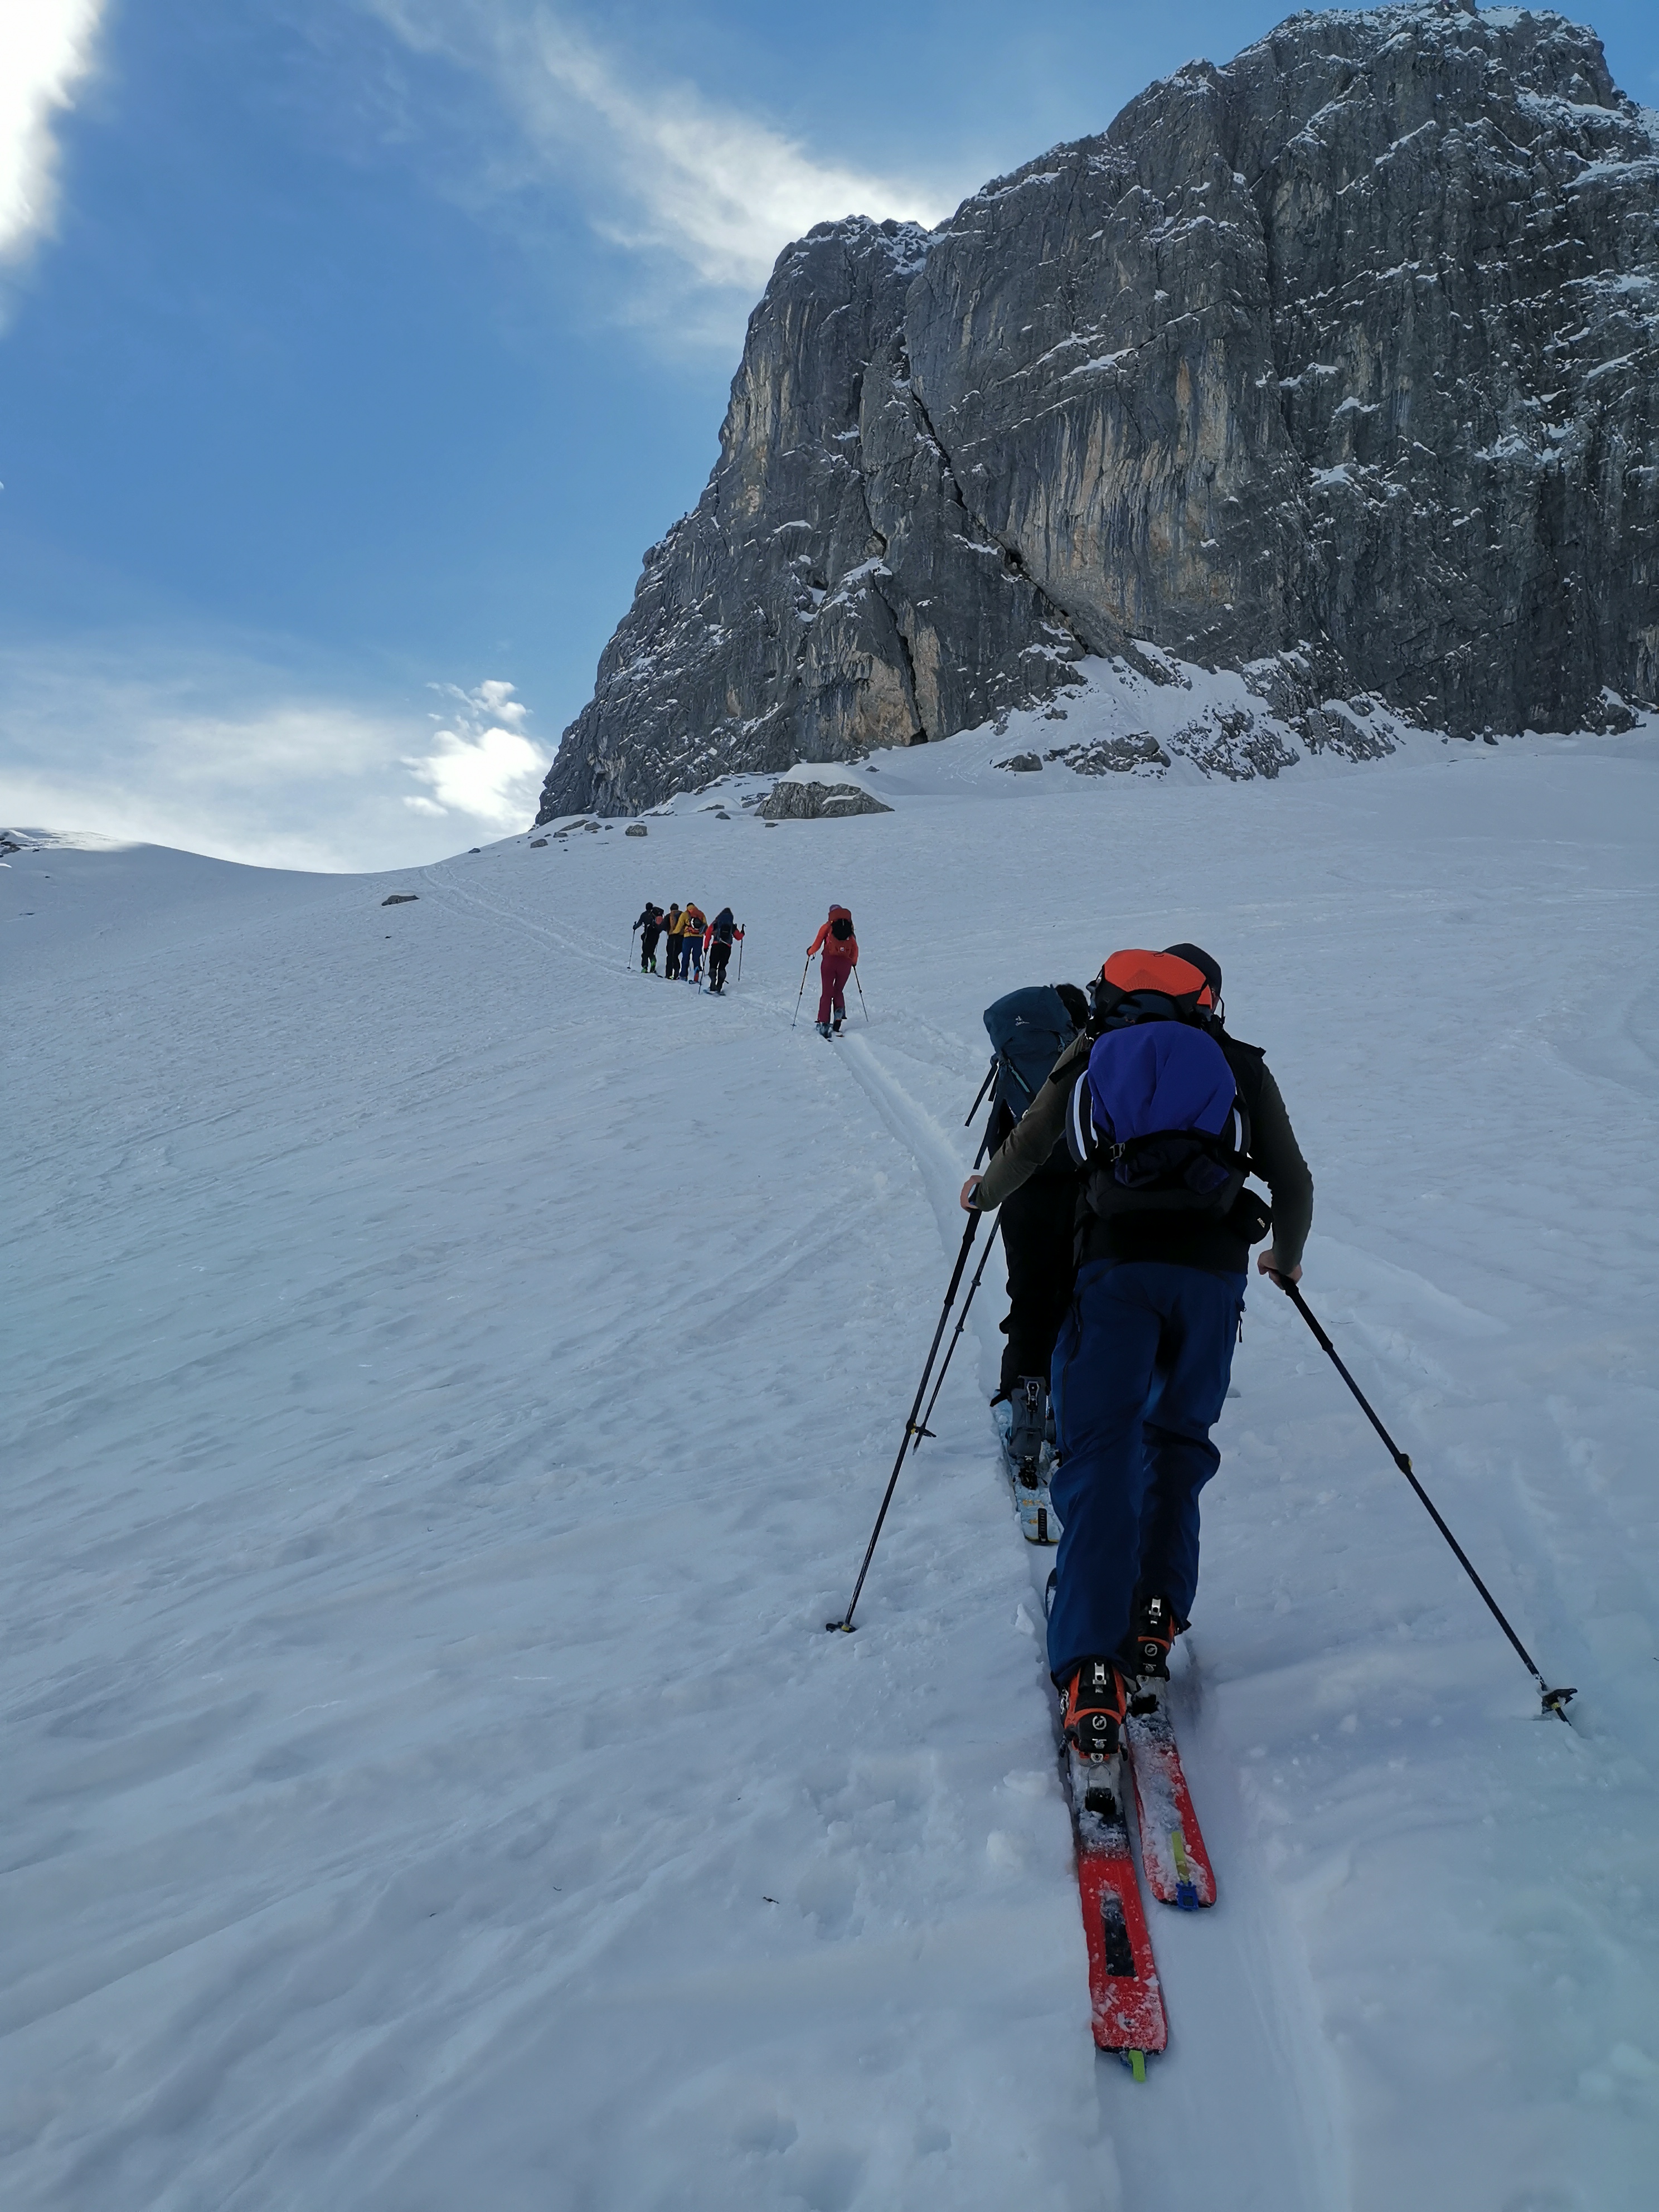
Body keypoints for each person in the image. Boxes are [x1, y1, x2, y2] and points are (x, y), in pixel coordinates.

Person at [961, 943, 1312, 1760]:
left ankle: (1092, 1665)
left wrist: (985, 1191)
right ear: (1205, 999)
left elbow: (1033, 1142)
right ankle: (1155, 1616)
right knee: (1179, 1444)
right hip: (1211, 1279)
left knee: (1101, 1453)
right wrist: (1285, 1258)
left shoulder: (1094, 1049)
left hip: (1114, 1272)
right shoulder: (1239, 1063)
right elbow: (1293, 1182)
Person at [982, 982, 1091, 1477]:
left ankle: (1025, 1411)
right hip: (1085, 1196)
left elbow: (999, 1143)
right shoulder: (1089, 1061)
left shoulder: (1015, 1064)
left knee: (1029, 1297)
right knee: (1077, 1299)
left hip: (1024, 1194)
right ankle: (1068, 1413)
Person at [806, 905, 857, 1036]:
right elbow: (855, 950)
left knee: (827, 993)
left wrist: (809, 952)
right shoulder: (849, 930)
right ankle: (839, 1012)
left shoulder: (827, 927)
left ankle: (823, 1023)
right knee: (838, 990)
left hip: (829, 963)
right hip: (845, 965)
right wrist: (853, 963)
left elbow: (817, 945)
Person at [705, 907, 744, 993]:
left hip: (716, 946)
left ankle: (713, 984)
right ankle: (719, 986)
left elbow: (708, 933)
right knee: (722, 967)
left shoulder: (716, 923)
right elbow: (739, 937)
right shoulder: (731, 925)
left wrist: (706, 947)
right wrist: (742, 933)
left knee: (713, 965)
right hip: (727, 948)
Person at [636, 902, 664, 973]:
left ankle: (645, 967)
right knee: (651, 951)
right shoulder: (656, 914)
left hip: (647, 935)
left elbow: (639, 923)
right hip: (656, 935)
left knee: (645, 952)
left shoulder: (644, 915)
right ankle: (653, 960)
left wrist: (635, 927)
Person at [682, 903, 707, 982]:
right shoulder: (701, 914)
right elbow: (705, 926)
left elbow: (679, 926)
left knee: (686, 955)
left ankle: (684, 975)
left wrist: (674, 932)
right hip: (699, 938)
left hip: (688, 937)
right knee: (696, 956)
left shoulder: (685, 914)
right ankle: (697, 970)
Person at [662, 903, 685, 981]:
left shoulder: (669, 916)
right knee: (675, 955)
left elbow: (662, 926)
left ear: (671, 909)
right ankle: (677, 972)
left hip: (672, 938)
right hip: (681, 938)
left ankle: (669, 974)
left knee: (670, 955)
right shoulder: (683, 916)